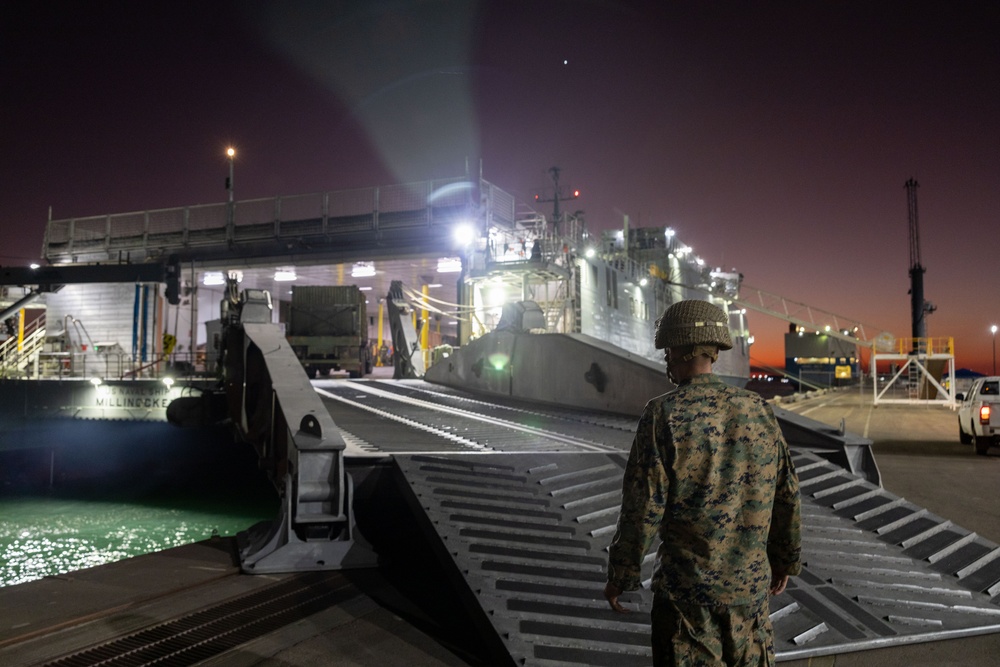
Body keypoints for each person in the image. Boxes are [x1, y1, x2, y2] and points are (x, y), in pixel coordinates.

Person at [604, 299, 801, 666]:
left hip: (687, 602)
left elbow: (642, 506)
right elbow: (787, 493)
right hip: (751, 597)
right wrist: (784, 561)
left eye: (667, 350)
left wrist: (623, 574)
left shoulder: (663, 414)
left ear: (679, 349)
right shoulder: (758, 409)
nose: (665, 358)